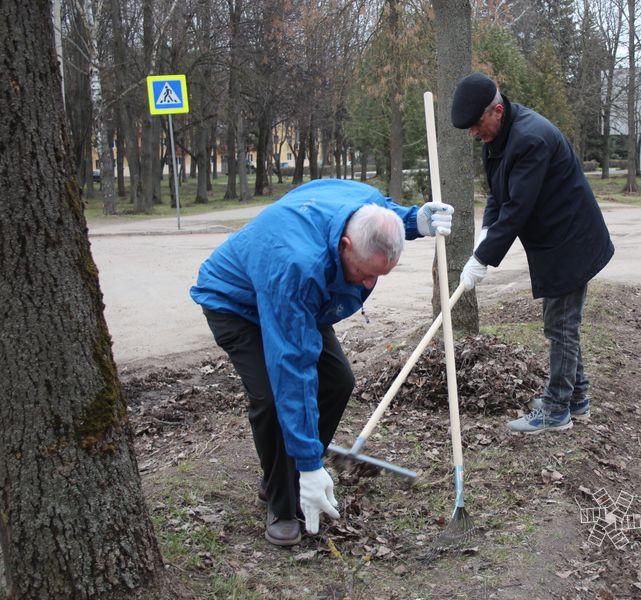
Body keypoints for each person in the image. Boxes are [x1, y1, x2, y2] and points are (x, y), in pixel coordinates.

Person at [189, 179, 453, 546]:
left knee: (338, 381)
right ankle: (283, 503)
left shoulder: (364, 206)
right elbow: (293, 369)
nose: (367, 283)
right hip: (237, 304)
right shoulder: (295, 267)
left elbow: (381, 216)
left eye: (379, 275)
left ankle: (293, 472)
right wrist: (313, 466)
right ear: (344, 246)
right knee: (271, 396)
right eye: (364, 273)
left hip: (300, 298)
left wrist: (414, 221)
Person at [450, 72, 614, 434]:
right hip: (553, 240)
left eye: (477, 125)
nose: (474, 134)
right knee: (562, 324)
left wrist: (484, 258)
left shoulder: (530, 139)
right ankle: (578, 398)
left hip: (571, 241)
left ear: (496, 110)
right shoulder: (498, 137)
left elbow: (517, 210)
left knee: (561, 326)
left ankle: (557, 408)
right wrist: (484, 237)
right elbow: (498, 195)